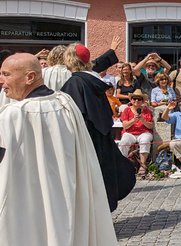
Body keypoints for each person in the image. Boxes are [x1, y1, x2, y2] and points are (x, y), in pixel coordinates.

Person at [0, 53, 118, 246]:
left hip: (29, 205)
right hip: (67, 197)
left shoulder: (12, 116)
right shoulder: (66, 103)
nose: (1, 81)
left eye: (6, 74)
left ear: (30, 77)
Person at [60, 44, 136, 212]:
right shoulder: (93, 81)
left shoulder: (75, 83)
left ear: (69, 60)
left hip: (85, 142)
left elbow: (73, 117)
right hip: (101, 138)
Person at [119, 89, 153, 174]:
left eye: (139, 99)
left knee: (145, 141)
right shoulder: (127, 110)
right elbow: (125, 125)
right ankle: (123, 164)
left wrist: (143, 120)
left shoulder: (146, 110)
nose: (136, 100)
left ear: (142, 101)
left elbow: (151, 126)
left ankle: (142, 164)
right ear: (131, 100)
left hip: (143, 132)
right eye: (134, 98)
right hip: (130, 132)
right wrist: (134, 120)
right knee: (124, 142)